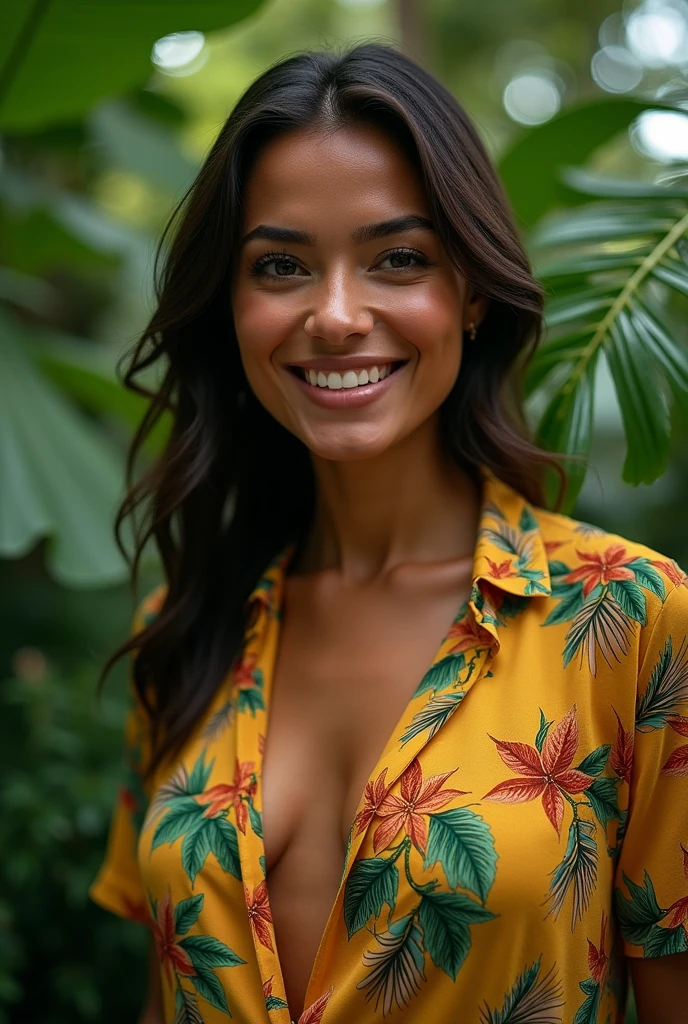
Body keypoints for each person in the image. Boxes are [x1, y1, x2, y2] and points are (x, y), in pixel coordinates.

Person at [89, 42, 688, 1024]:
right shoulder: (189, 624)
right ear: (231, 307)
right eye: (279, 265)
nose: (332, 315)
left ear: (474, 288)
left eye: (396, 258)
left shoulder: (626, 618)